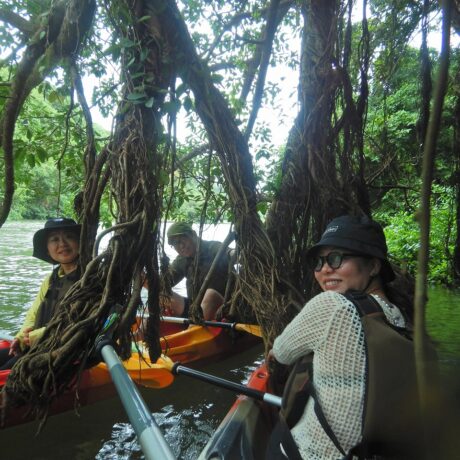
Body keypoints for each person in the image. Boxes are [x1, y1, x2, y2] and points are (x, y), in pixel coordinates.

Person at [268, 215, 413, 459]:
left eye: (336, 258)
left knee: (274, 438)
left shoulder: (332, 305)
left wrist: (273, 353)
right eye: (319, 262)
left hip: (313, 454)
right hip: (371, 451)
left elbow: (281, 352)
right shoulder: (399, 317)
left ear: (374, 266)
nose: (324, 269)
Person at [0, 217, 81, 370]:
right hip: (36, 345)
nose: (62, 244)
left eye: (69, 237)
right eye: (54, 239)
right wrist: (20, 337)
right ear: (48, 250)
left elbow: (80, 323)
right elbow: (34, 312)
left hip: (60, 351)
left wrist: (37, 336)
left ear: (80, 242)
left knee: (11, 369)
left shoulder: (90, 277)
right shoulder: (52, 278)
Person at [162, 222, 233, 321]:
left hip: (222, 310)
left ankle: (192, 332)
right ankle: (141, 333)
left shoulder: (211, 247)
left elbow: (228, 252)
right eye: (176, 243)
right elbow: (165, 282)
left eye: (183, 240)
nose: (181, 246)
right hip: (195, 309)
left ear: (193, 235)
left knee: (211, 294)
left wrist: (235, 254)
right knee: (162, 294)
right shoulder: (182, 260)